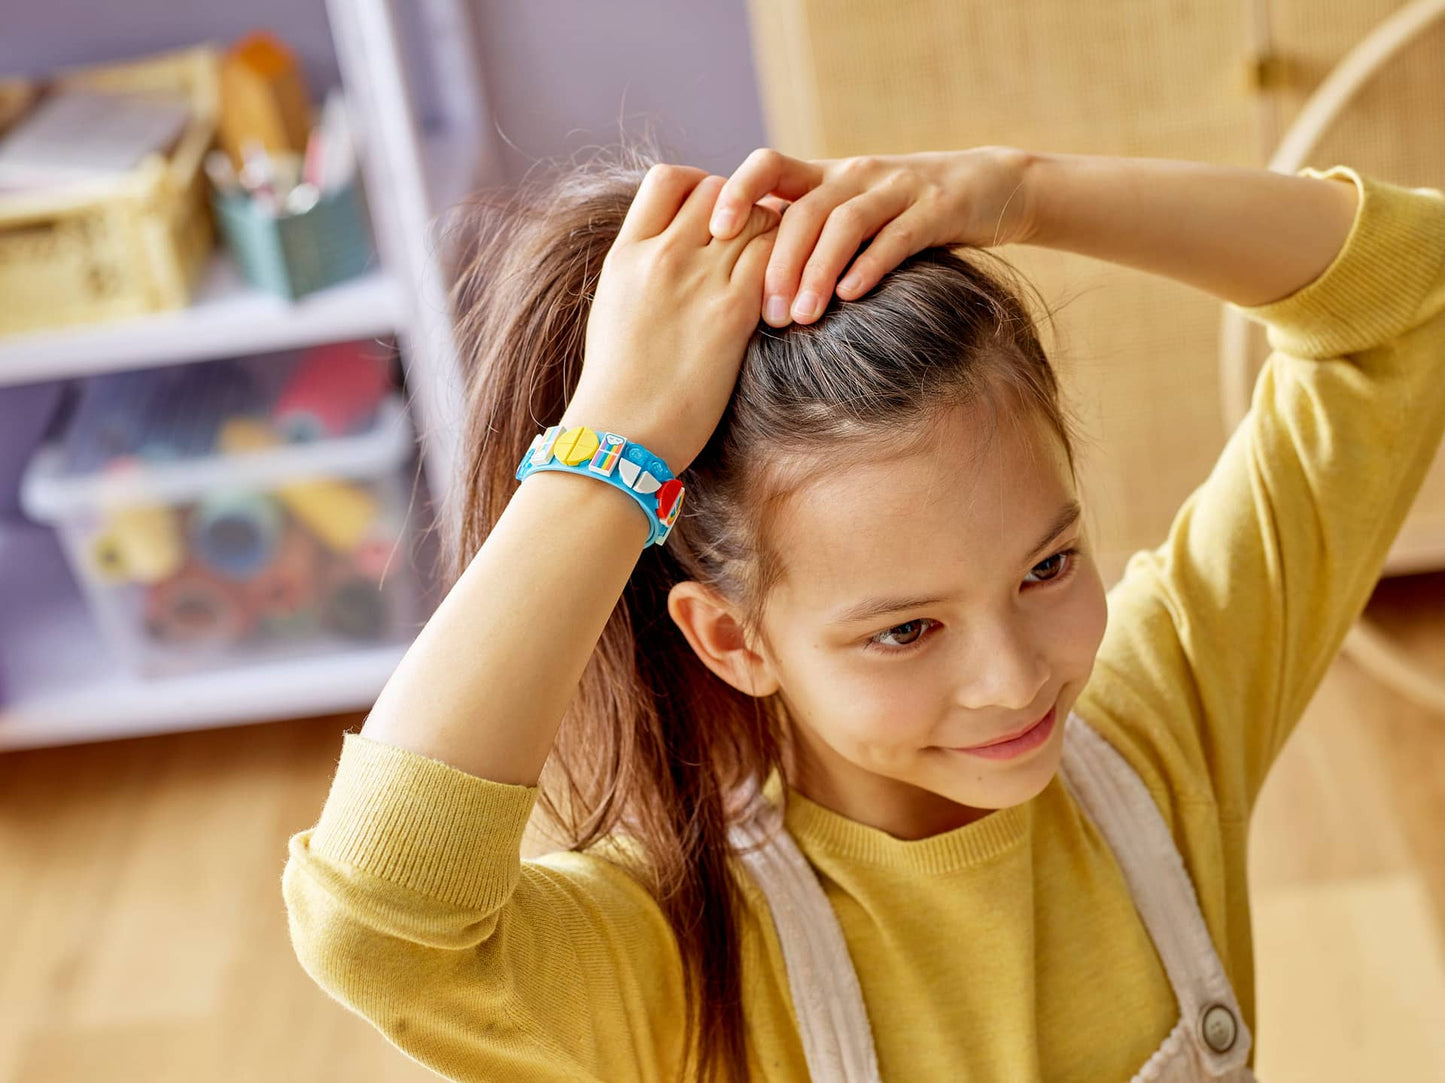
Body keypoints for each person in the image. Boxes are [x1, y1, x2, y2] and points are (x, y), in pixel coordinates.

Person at [281, 135, 1445, 1081]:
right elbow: (379, 926)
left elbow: (1407, 297)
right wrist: (615, 446)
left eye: (1045, 568)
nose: (1013, 676)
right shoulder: (685, 960)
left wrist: (1020, 188)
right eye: (904, 630)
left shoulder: (1165, 724)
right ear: (732, 639)